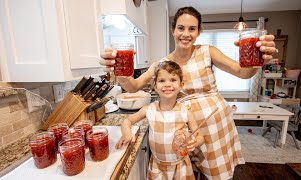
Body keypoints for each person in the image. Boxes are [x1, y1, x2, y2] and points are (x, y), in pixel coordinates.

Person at [101, 6, 277, 179]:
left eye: (192, 29)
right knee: (185, 172)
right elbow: (133, 86)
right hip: (183, 129)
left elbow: (242, 72)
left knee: (218, 174)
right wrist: (120, 72)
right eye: (181, 28)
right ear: (173, 30)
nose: (186, 34)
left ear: (199, 31)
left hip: (215, 124)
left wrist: (257, 60)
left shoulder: (208, 51)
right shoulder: (162, 64)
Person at [115, 61, 204, 179]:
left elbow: (200, 137)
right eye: (162, 81)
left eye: (173, 80)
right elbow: (127, 121)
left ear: (181, 85)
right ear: (156, 87)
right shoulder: (149, 110)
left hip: (181, 166)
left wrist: (196, 142)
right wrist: (127, 133)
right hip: (158, 167)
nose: (167, 84)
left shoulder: (185, 111)